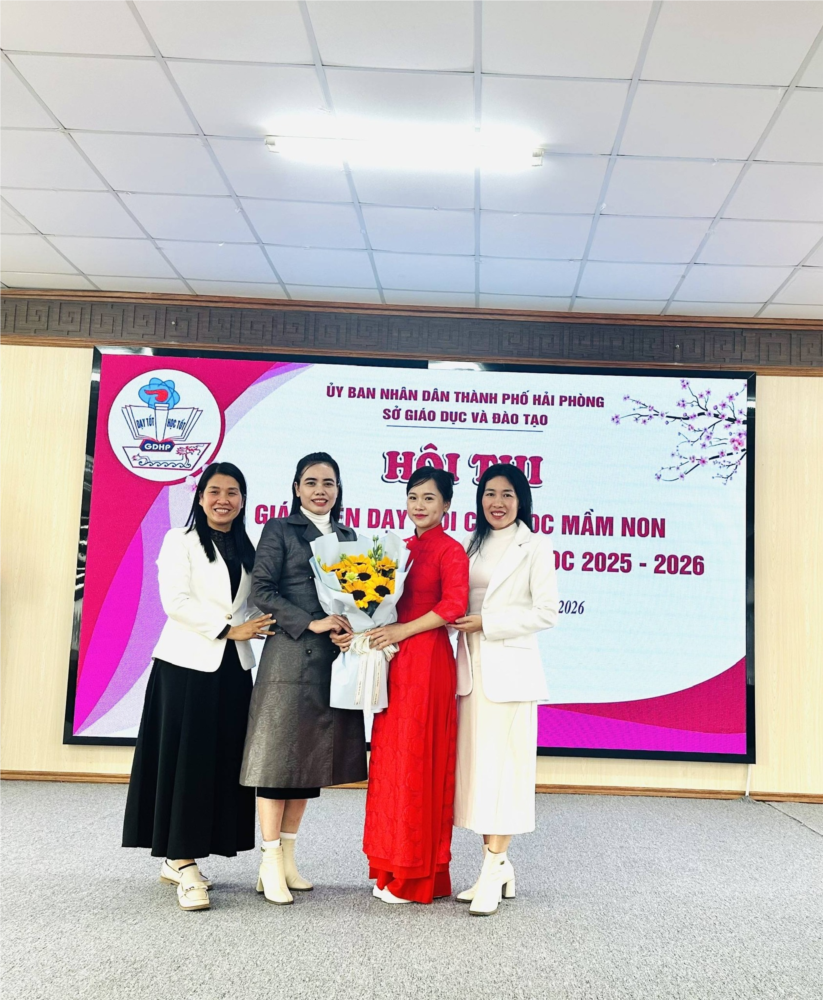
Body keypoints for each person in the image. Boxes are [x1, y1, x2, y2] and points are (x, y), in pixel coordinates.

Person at [123, 462, 273, 912]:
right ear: (201, 496)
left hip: (233, 668)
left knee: (218, 763)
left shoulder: (247, 546)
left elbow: (249, 605)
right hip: (186, 667)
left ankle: (182, 855)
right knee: (184, 762)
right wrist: (229, 631)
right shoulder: (179, 540)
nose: (223, 499)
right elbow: (176, 602)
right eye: (214, 491)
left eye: (232, 492)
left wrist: (277, 623)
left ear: (243, 500)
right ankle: (182, 861)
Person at [239, 452, 364, 905]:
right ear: (296, 488)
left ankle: (288, 858)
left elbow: (359, 598)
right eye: (311, 482)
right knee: (278, 760)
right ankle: (269, 860)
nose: (320, 491)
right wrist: (310, 622)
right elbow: (262, 589)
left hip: (330, 661)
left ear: (338, 489)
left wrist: (352, 627)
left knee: (307, 762)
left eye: (328, 483)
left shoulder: (349, 537)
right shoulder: (280, 529)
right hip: (289, 658)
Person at [354, 467, 469, 904]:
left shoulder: (450, 550)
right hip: (395, 662)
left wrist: (402, 631)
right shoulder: (397, 548)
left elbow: (454, 605)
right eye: (413, 497)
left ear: (446, 505)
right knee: (391, 762)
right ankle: (389, 865)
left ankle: (416, 876)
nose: (419, 506)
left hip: (427, 663)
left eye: (429, 498)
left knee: (418, 763)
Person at [453, 464, 559, 916]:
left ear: (521, 501)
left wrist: (488, 623)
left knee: (505, 774)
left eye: (507, 495)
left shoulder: (535, 545)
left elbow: (547, 612)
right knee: (480, 773)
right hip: (470, 673)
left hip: (511, 674)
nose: (497, 502)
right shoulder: (471, 543)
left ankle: (493, 869)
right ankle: (495, 866)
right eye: (489, 493)